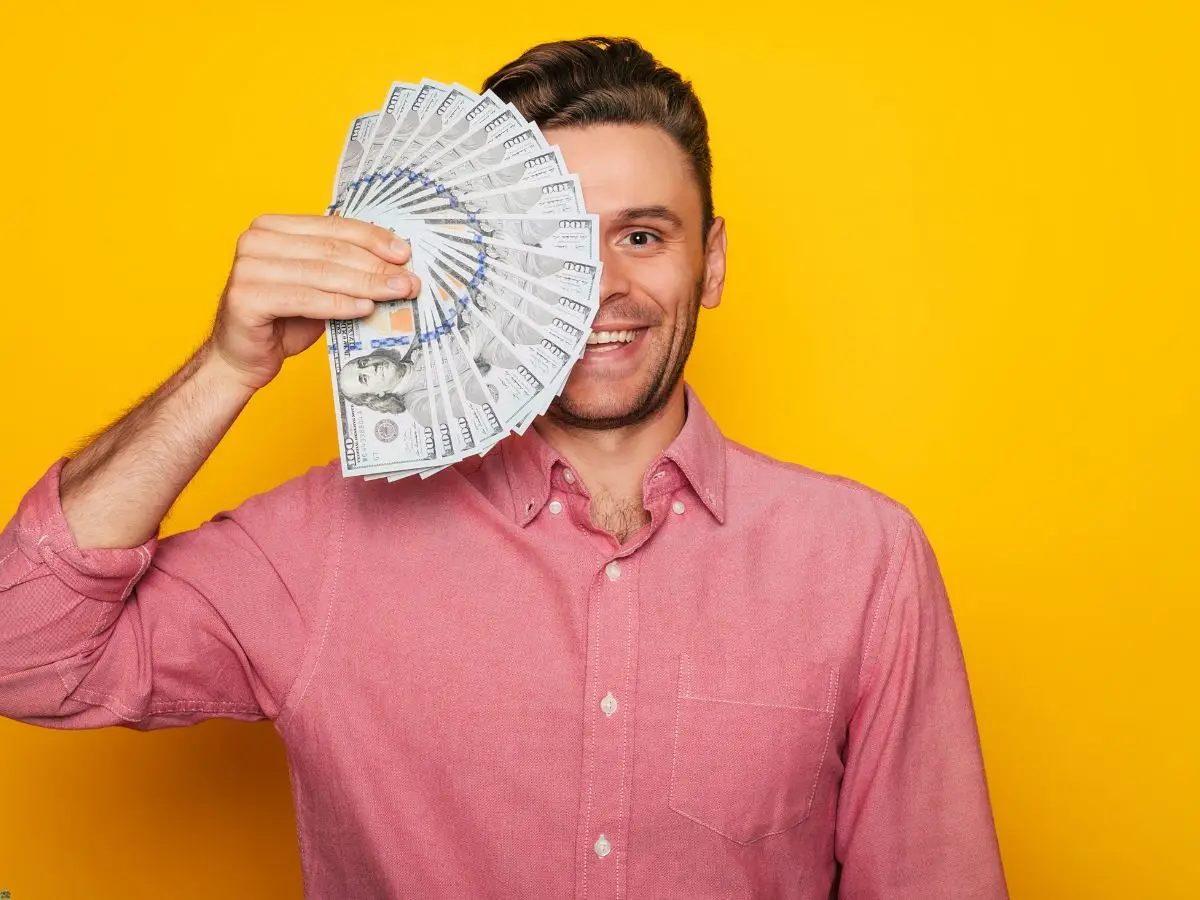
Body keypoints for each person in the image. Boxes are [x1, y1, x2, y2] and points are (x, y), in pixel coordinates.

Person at [0, 36, 1009, 899]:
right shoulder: (320, 550)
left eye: (644, 236)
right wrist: (228, 369)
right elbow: (25, 652)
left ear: (712, 264)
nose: (600, 288)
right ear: (481, 265)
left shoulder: (863, 559)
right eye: (557, 246)